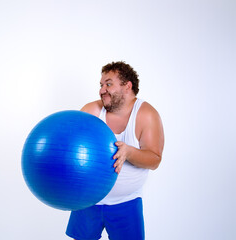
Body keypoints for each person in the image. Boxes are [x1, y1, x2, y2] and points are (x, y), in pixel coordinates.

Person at [66, 61, 164, 240]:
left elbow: (155, 159)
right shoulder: (91, 110)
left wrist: (129, 152)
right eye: (101, 85)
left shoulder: (146, 115)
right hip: (88, 199)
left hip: (126, 202)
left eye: (108, 84)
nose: (102, 89)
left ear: (127, 86)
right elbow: (69, 147)